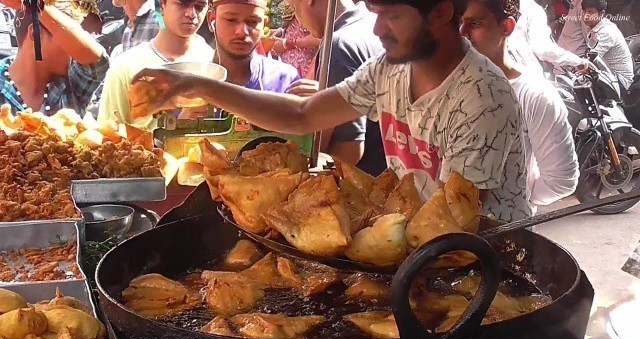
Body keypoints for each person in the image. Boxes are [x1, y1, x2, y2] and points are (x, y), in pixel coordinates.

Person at [132, 0, 533, 222]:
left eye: (392, 16)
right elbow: (302, 115)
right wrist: (199, 86)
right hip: (415, 239)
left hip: (480, 266)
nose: (378, 30)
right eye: (376, 15)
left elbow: (455, 218)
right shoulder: (388, 68)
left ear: (442, 12)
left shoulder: (481, 98)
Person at [460, 0, 579, 212]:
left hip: (507, 235)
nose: (462, 33)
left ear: (506, 27)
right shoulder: (447, 86)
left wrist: (515, 197)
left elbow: (561, 180)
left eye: (474, 24)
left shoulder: (533, 95)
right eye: (458, 23)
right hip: (445, 234)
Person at [286, 0, 386, 174]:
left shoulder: (338, 46)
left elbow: (350, 151)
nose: (298, 19)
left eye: (295, 8)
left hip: (365, 183)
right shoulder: (369, 24)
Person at [98, 0, 214, 129]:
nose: (191, 14)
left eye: (199, 6)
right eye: (182, 4)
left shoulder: (213, 65)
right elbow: (107, 138)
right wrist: (179, 126)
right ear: (161, 5)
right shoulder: (126, 67)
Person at [178, 0, 300, 119]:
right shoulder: (189, 87)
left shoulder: (285, 82)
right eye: (231, 20)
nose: (242, 32)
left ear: (264, 25)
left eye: (253, 21)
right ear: (211, 20)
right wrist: (183, 124)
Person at [0, 0, 108, 117]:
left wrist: (34, 4)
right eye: (68, 40)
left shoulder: (73, 83)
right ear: (35, 33)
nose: (75, 50)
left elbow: (97, 61)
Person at [507, 0, 592, 75]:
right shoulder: (532, 10)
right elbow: (543, 48)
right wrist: (577, 61)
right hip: (523, 76)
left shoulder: (501, 7)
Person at [582, 0, 634, 91]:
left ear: (601, 13)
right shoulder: (594, 27)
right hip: (607, 75)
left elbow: (591, 60)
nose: (586, 16)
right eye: (584, 12)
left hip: (619, 80)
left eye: (590, 12)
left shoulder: (606, 32)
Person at [270, 0, 320, 78]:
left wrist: (287, 44)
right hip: (286, 64)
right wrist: (283, 31)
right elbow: (299, 27)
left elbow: (320, 38)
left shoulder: (313, 5)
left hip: (302, 67)